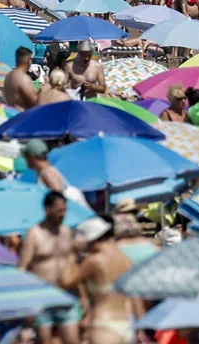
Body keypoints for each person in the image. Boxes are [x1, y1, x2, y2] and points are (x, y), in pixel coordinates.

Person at [19, 192, 81, 344]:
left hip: (66, 296)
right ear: (47, 210)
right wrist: (24, 303)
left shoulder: (67, 232)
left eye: (65, 210)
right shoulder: (34, 234)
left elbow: (73, 264)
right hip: (42, 298)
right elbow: (22, 269)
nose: (63, 214)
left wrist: (82, 296)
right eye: (59, 210)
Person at [62, 216, 135, 344]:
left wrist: (72, 253)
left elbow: (67, 281)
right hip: (127, 323)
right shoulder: (125, 258)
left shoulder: (95, 261)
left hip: (104, 325)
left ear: (93, 240)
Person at [21, 140, 89, 206]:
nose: (25, 160)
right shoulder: (48, 170)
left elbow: (58, 195)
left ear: (31, 157)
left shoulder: (47, 172)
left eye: (25, 157)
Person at [4, 46, 38, 111]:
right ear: (29, 60)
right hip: (23, 116)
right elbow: (35, 102)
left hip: (12, 115)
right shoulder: (23, 78)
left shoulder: (9, 75)